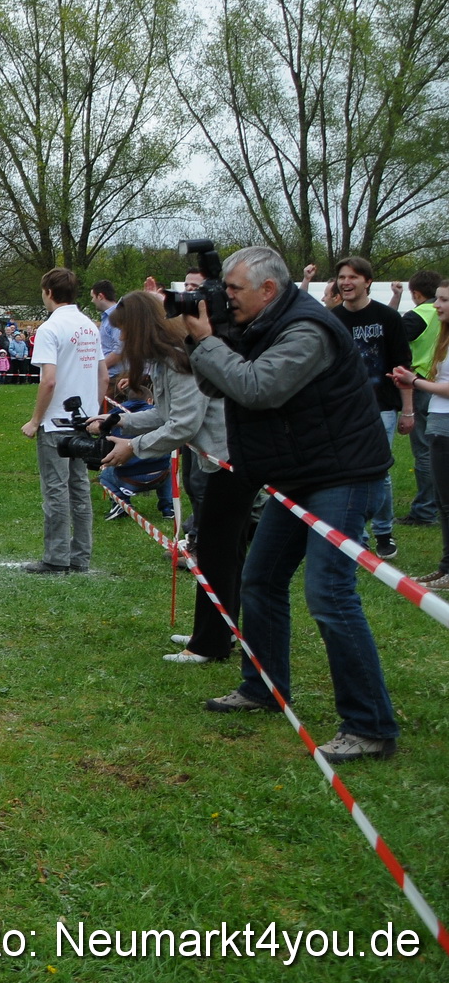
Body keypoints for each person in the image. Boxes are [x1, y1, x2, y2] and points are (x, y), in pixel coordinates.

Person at [187, 245, 399, 763]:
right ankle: (262, 688)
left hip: (343, 473)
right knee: (260, 579)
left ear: (269, 290)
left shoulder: (308, 330)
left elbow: (258, 388)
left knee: (329, 592)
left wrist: (210, 341)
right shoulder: (258, 324)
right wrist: (212, 339)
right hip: (299, 473)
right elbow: (217, 384)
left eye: (233, 290)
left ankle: (370, 725)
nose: (225, 298)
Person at [93, 294, 247, 663]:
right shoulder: (166, 361)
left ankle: (210, 644)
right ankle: (210, 633)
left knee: (217, 557)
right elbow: (164, 413)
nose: (123, 343)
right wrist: (120, 421)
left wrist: (133, 448)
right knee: (212, 555)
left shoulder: (180, 360)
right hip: (213, 467)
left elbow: (184, 424)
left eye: (125, 333)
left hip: (228, 467)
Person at [323, 257, 413, 559]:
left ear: (368, 281)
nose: (346, 282)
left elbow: (403, 367)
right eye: (342, 277)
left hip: (381, 406)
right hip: (343, 409)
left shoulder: (387, 317)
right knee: (349, 472)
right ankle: (357, 536)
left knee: (378, 473)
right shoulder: (332, 319)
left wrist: (408, 410)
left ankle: (384, 531)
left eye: (353, 277)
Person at [20, 269, 107, 574]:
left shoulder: (50, 328)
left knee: (56, 490)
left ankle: (56, 557)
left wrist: (34, 420)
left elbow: (49, 382)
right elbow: (103, 375)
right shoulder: (89, 326)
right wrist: (95, 413)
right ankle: (80, 556)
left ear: (49, 292)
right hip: (83, 421)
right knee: (80, 490)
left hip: (56, 424)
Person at [393, 271, 442, 527]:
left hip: (422, 384)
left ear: (416, 294)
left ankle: (425, 510)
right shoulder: (441, 312)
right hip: (439, 383)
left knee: (425, 451)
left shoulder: (419, 314)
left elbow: (391, 335)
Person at [91, 281, 122, 382]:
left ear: (100, 296)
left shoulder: (116, 316)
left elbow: (120, 350)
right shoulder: (107, 318)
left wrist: (98, 368)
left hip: (114, 377)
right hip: (110, 375)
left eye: (93, 297)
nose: (92, 301)